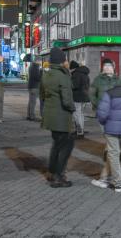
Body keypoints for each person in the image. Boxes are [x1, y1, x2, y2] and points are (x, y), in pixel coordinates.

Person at [41, 47, 76, 188]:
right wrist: (73, 108)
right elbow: (67, 100)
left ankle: (52, 171)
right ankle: (58, 176)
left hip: (50, 115)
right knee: (66, 146)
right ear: (62, 61)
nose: (67, 61)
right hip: (62, 116)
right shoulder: (63, 75)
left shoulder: (46, 74)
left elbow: (42, 95)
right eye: (65, 59)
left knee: (56, 144)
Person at [70, 61, 90, 138]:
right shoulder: (85, 74)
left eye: (70, 69)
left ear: (73, 68)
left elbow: (74, 85)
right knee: (81, 114)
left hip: (77, 97)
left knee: (77, 114)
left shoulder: (76, 74)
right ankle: (81, 130)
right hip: (84, 97)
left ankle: (79, 132)